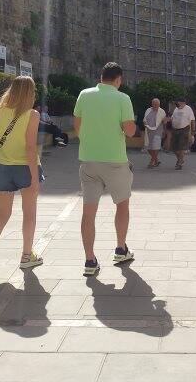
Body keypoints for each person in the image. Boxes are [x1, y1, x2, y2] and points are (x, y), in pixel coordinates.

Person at [0, 76, 43, 281]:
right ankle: (26, 255)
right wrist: (34, 176)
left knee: (2, 215)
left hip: (3, 168)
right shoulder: (32, 115)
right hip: (25, 167)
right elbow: (30, 147)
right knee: (29, 213)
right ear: (30, 93)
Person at [74, 62, 136, 277]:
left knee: (88, 211)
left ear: (101, 77)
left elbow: (77, 125)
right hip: (115, 160)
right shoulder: (122, 98)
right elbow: (129, 131)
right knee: (122, 205)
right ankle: (120, 249)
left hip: (89, 159)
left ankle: (89, 260)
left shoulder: (84, 94)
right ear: (118, 79)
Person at [170, 97, 196, 170]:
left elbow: (192, 120)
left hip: (184, 129)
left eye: (178, 102)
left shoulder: (188, 109)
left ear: (183, 103)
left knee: (181, 146)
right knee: (174, 148)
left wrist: (193, 131)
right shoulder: (176, 109)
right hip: (175, 130)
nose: (177, 104)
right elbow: (172, 118)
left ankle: (180, 162)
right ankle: (180, 159)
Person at [143, 98, 165, 168]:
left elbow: (164, 122)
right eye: (154, 104)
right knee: (149, 148)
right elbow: (144, 119)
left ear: (159, 104)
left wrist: (165, 126)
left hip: (157, 131)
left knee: (155, 147)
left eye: (157, 104)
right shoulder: (148, 110)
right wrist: (144, 122)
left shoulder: (162, 111)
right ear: (152, 104)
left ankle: (152, 161)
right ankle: (156, 160)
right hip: (148, 131)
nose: (155, 105)